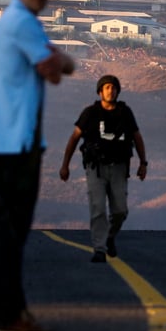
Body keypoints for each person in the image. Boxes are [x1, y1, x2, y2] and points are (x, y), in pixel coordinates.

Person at [0, 0, 75, 331]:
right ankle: (10, 314)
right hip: (19, 145)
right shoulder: (23, 24)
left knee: (2, 228)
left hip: (6, 140)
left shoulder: (8, 22)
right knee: (13, 233)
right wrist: (64, 59)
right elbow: (56, 70)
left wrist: (59, 63)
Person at [59, 74, 147, 262]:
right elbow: (74, 138)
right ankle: (99, 249)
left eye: (113, 88)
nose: (111, 91)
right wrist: (65, 165)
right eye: (107, 88)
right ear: (100, 91)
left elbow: (137, 137)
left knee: (120, 210)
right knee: (98, 207)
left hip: (119, 168)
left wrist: (143, 163)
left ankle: (110, 237)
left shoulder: (125, 113)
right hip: (96, 168)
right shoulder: (90, 113)